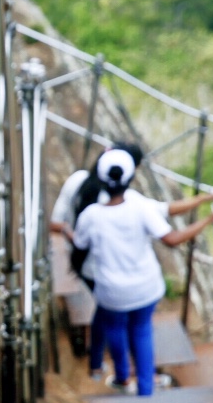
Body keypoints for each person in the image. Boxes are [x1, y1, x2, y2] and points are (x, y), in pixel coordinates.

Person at [71, 146, 213, 395]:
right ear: (130, 177)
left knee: (115, 329)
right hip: (145, 287)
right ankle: (146, 388)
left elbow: (79, 243)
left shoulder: (91, 216)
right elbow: (171, 239)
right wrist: (207, 220)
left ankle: (121, 377)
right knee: (141, 331)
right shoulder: (139, 207)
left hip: (111, 291)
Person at [50, 141, 145, 380]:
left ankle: (97, 365)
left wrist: (76, 238)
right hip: (108, 265)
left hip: (83, 263)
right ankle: (122, 372)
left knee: (105, 310)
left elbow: (56, 222)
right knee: (117, 315)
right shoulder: (118, 199)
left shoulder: (78, 180)